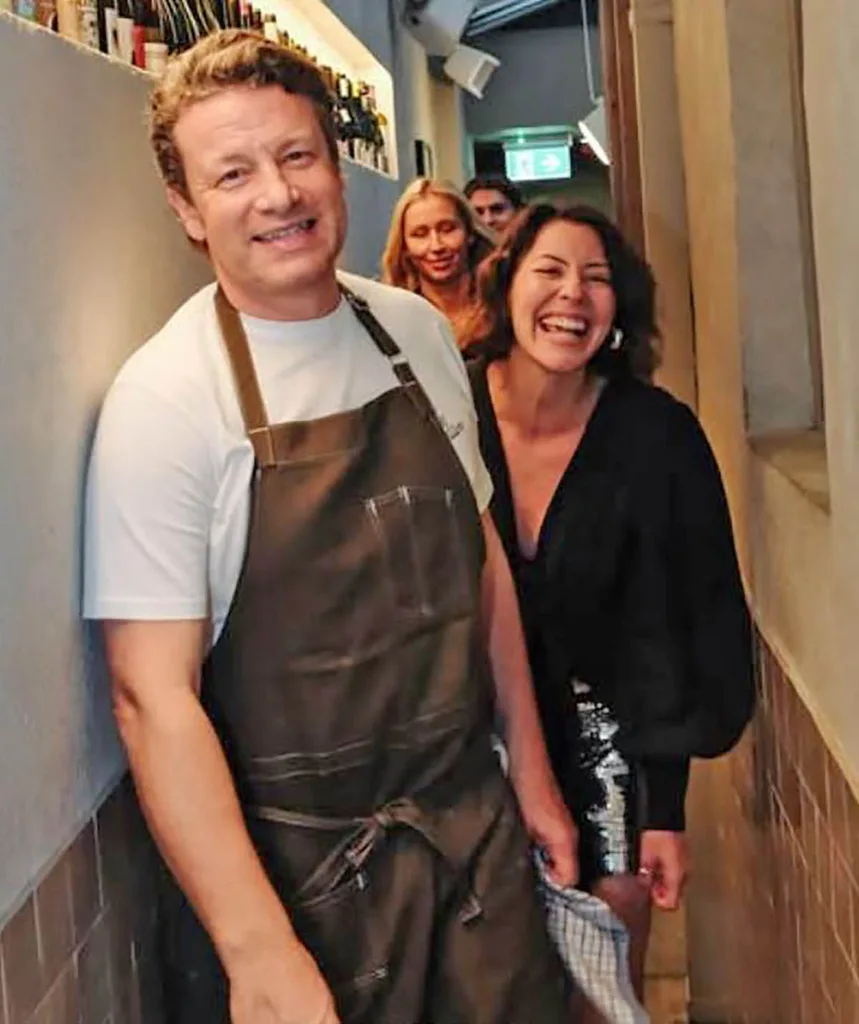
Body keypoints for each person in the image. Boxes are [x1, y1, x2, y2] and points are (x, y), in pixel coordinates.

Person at [83, 31, 579, 1024]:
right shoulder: (168, 401)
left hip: (472, 841)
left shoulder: (415, 332)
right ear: (187, 208)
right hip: (299, 883)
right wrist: (256, 948)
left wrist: (530, 772)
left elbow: (478, 560)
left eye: (297, 154)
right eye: (233, 173)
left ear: (335, 163)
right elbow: (151, 697)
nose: (277, 194)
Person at [462, 202, 755, 1006]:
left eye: (596, 279)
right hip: (462, 739)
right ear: (506, 285)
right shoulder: (444, 414)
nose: (572, 296)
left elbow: (680, 626)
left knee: (605, 971)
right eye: (549, 271)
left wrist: (666, 811)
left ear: (617, 310)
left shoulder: (654, 438)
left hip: (607, 742)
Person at [381, 177, 493, 348]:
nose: (436, 246)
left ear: (469, 233)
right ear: (404, 247)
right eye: (420, 234)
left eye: (447, 229)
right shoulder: (389, 318)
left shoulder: (504, 305)